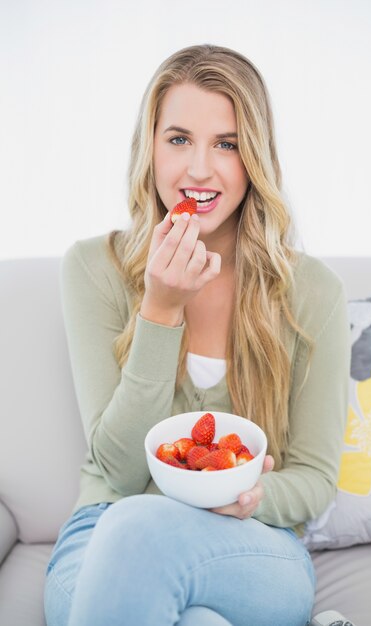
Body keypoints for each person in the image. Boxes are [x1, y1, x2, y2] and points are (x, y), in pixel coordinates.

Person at [43, 44, 351, 626]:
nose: (200, 169)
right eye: (179, 139)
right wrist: (161, 310)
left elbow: (312, 478)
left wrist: (251, 497)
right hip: (105, 530)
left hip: (251, 541)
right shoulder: (92, 268)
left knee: (144, 532)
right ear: (150, 150)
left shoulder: (314, 294)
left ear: (254, 158)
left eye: (227, 144)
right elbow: (122, 472)